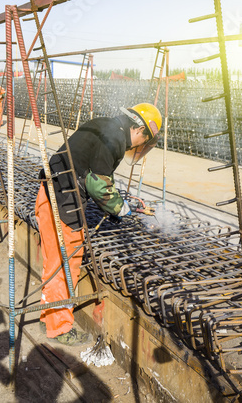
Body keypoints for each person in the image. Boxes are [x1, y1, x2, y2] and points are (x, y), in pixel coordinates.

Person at [35, 103, 162, 345]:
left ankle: (48, 318)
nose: (139, 147)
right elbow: (99, 185)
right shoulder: (114, 138)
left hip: (50, 191)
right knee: (65, 263)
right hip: (64, 200)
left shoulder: (105, 125)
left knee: (53, 262)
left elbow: (92, 173)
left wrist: (116, 203)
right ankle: (59, 328)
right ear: (139, 130)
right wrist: (120, 208)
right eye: (144, 141)